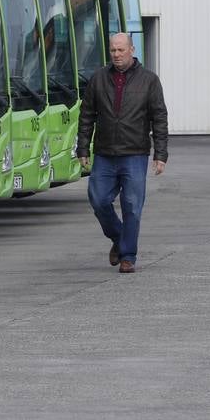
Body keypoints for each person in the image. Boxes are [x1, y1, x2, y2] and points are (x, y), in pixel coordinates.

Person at [76, 32, 168, 274]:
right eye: (113, 50)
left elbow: (159, 117)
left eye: (121, 50)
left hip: (134, 153)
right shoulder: (98, 79)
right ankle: (119, 237)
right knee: (98, 200)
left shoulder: (149, 80)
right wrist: (83, 147)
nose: (116, 55)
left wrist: (161, 153)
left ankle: (128, 256)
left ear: (132, 49)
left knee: (132, 205)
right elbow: (86, 116)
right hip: (105, 153)